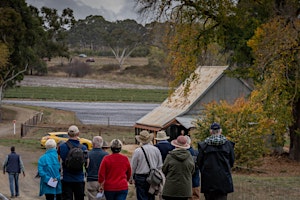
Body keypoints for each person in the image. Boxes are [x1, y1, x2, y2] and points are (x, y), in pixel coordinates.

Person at [197, 122, 235, 200]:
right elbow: (232, 161)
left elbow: (199, 162)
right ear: (220, 131)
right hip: (223, 178)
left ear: (210, 131)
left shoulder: (204, 146)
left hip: (208, 178)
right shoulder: (228, 145)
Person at [130, 130, 163, 200]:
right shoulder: (156, 150)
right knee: (151, 196)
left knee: (141, 197)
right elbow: (160, 165)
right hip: (153, 176)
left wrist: (131, 178)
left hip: (140, 177)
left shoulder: (137, 151)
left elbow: (133, 166)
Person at [58, 125, 88, 200]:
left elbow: (59, 161)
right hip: (79, 178)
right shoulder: (83, 147)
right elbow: (87, 164)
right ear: (78, 134)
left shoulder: (62, 147)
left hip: (67, 178)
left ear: (68, 134)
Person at [162, 135, 195, 200]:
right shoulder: (190, 157)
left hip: (171, 188)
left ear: (175, 145)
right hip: (185, 189)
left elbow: (164, 169)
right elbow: (192, 171)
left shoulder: (170, 156)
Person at [185, 136, 200, 200]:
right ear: (190, 142)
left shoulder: (181, 153)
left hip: (184, 181)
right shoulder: (196, 152)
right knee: (195, 197)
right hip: (195, 181)